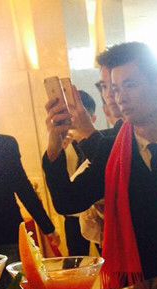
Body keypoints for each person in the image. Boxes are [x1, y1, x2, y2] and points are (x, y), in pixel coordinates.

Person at [43, 42, 157, 289]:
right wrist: (54, 143)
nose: (120, 97)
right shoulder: (111, 151)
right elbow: (68, 202)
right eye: (114, 88)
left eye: (130, 85)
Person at [0, 133, 60, 289]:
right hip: (10, 234)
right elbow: (23, 187)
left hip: (10, 235)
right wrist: (48, 227)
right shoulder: (5, 144)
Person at [63, 90, 98, 256]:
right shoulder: (62, 146)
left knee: (107, 257)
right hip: (72, 216)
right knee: (76, 260)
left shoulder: (100, 145)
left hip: (97, 214)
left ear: (93, 119)